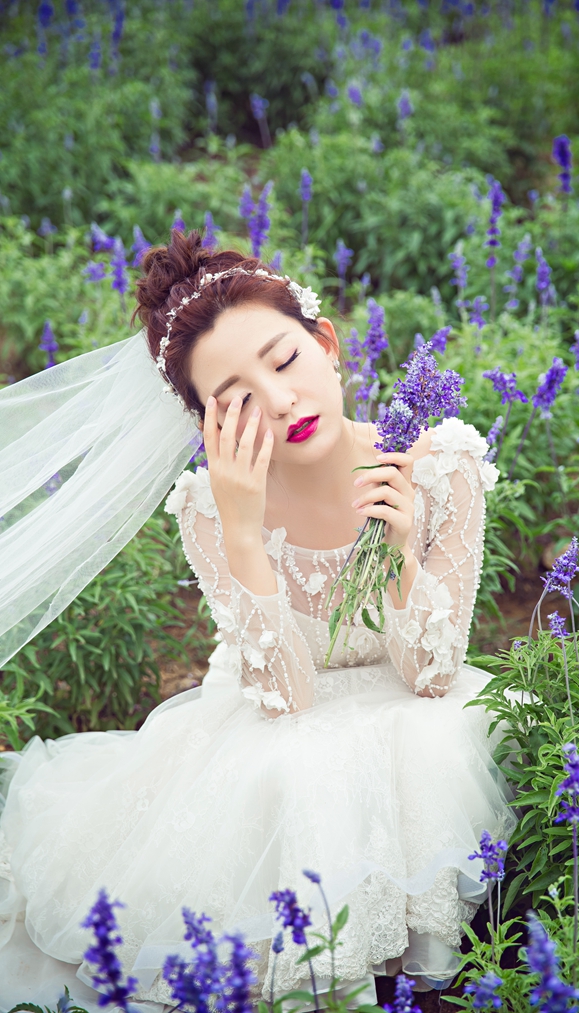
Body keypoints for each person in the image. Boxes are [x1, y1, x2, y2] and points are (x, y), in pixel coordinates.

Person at [0, 232, 515, 1011]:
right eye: (235, 401)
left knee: (433, 739)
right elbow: (287, 700)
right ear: (206, 425)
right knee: (296, 771)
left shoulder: (441, 467)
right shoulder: (209, 511)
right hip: (278, 717)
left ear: (326, 343)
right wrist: (244, 535)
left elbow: (432, 676)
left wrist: (399, 550)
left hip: (412, 704)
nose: (278, 402)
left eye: (283, 361)